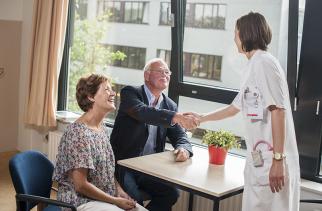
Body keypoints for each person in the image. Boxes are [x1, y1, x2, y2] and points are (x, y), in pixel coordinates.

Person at [185, 12, 300, 211]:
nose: (234, 37)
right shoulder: (253, 65)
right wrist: (201, 118)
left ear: (246, 33)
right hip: (260, 159)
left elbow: (278, 111)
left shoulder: (264, 63)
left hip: (271, 159)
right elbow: (234, 108)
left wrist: (278, 160)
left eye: (236, 32)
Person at [110, 58, 198, 211]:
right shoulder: (130, 93)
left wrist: (184, 149)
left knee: (171, 193)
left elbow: (180, 136)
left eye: (167, 72)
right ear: (147, 75)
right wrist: (175, 116)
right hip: (123, 165)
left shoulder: (170, 105)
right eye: (160, 71)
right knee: (134, 200)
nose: (165, 75)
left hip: (149, 169)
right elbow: (143, 112)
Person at [53, 74, 147, 211]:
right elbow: (80, 185)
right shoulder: (78, 133)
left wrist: (119, 191)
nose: (113, 93)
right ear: (91, 96)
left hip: (103, 197)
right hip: (79, 201)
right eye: (107, 89)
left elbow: (106, 171)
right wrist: (115, 201)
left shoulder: (101, 129)